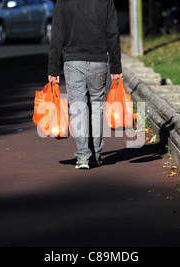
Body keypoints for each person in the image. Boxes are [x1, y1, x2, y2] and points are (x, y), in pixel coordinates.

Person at [48, 0, 123, 170]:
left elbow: (57, 34)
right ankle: (96, 154)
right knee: (97, 106)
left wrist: (54, 67)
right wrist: (116, 66)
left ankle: (83, 157)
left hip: (73, 61)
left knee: (78, 107)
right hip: (99, 61)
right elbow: (112, 33)